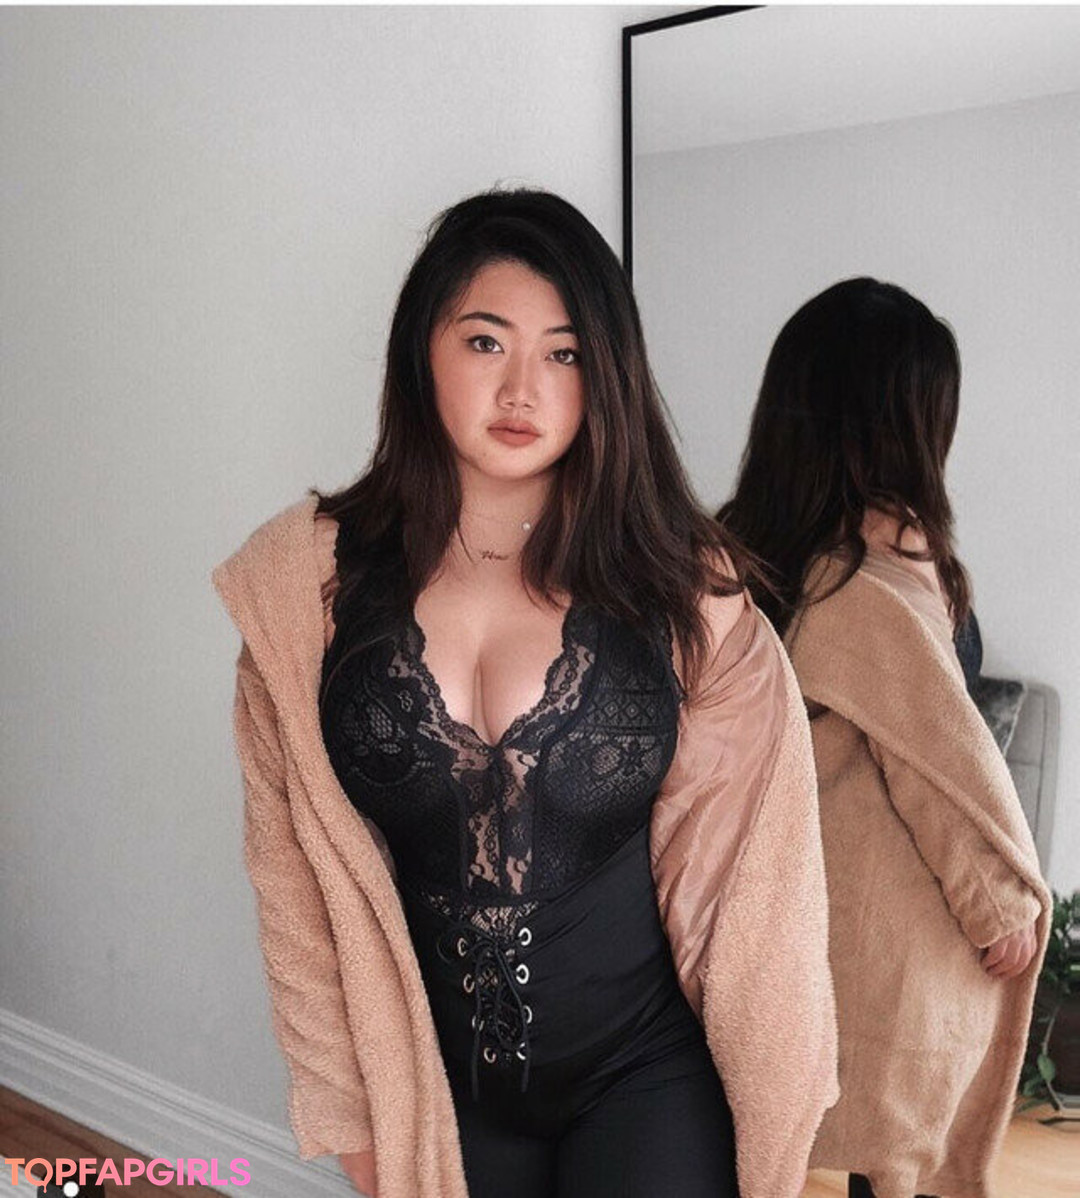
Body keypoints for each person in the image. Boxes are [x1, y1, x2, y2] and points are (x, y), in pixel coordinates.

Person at [211, 189, 838, 1198]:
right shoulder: (302, 589)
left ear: (607, 374)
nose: (523, 388)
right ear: (422, 351)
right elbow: (289, 876)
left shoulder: (686, 590)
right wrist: (349, 1111)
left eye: (565, 353)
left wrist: (781, 1104)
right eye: (486, 341)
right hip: (435, 1085)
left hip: (648, 1074)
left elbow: (762, 887)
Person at [716, 277, 1051, 1198]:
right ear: (902, 428)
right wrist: (998, 904)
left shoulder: (735, 559)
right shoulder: (872, 584)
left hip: (763, 925)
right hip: (872, 938)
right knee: (891, 1155)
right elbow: (939, 763)